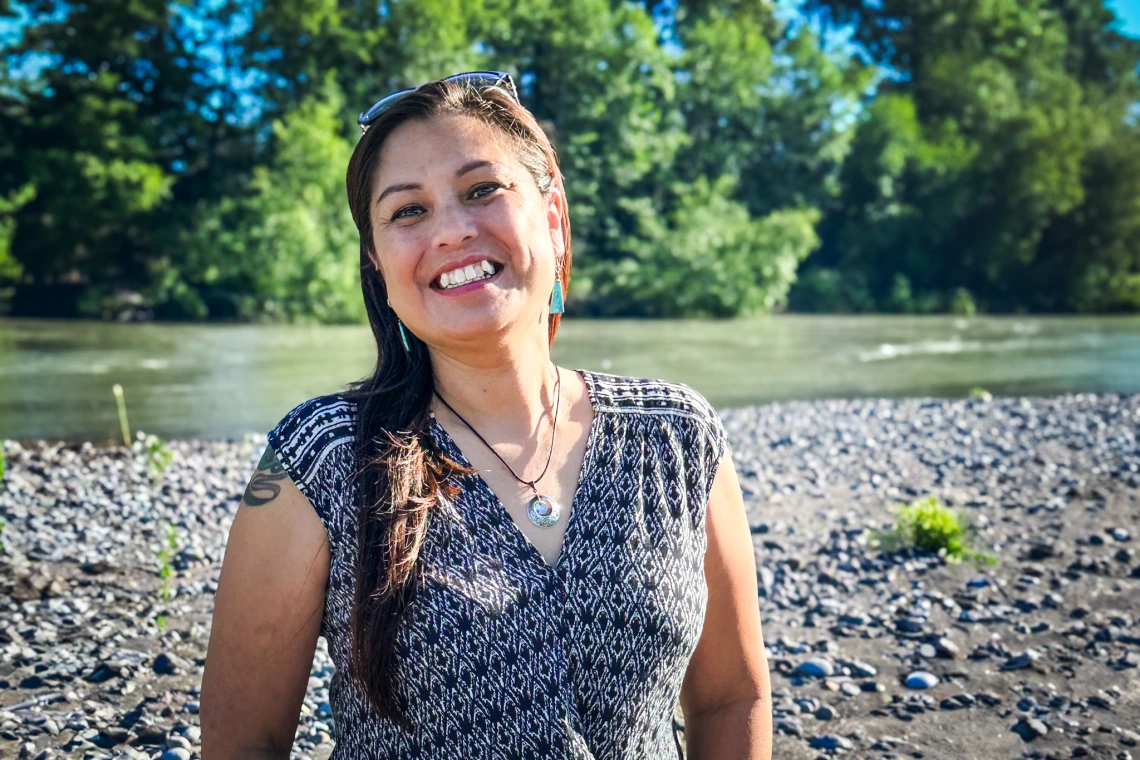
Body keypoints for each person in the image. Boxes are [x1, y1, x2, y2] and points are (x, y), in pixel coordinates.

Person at [200, 71, 771, 759]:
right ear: (378, 265)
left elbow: (730, 697)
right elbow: (244, 743)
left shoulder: (676, 438)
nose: (451, 232)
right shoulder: (320, 459)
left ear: (553, 219)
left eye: (481, 191)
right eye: (407, 211)